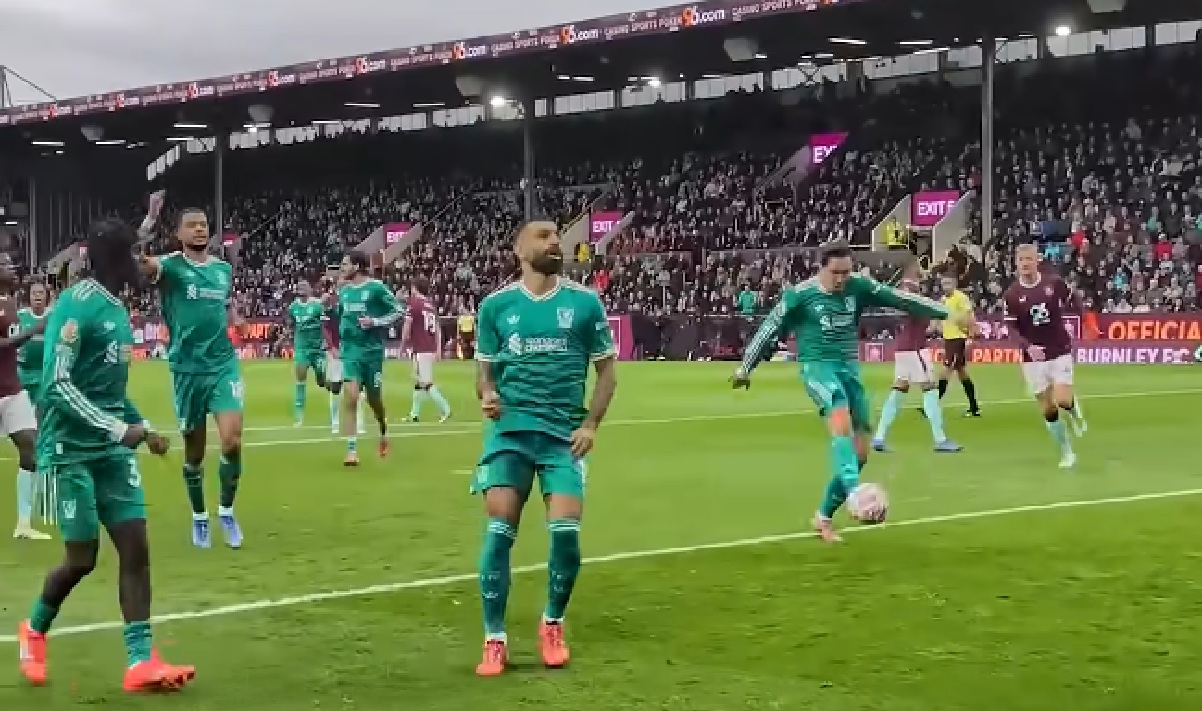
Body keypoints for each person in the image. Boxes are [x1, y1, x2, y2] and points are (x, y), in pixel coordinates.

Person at [18, 217, 194, 692]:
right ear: (115, 259)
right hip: (68, 450)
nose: (140, 263)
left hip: (110, 450)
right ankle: (34, 629)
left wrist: (144, 427)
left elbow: (110, 391)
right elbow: (57, 386)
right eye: (133, 255)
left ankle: (139, 661)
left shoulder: (116, 308)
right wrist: (120, 429)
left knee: (136, 548)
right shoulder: (77, 307)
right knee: (82, 557)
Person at [471, 220, 618, 677]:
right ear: (519, 249)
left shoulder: (584, 303)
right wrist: (487, 395)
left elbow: (607, 373)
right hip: (511, 433)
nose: (556, 242)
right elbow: (485, 374)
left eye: (557, 236)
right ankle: (494, 639)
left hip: (563, 437)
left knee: (567, 535)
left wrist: (591, 424)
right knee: (499, 527)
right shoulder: (496, 306)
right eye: (543, 236)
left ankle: (552, 623)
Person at [731, 240, 949, 542]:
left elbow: (900, 299)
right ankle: (855, 491)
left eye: (847, 271)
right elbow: (769, 328)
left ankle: (822, 517)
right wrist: (745, 368)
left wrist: (946, 313)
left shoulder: (858, 286)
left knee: (860, 453)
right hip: (817, 367)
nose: (842, 278)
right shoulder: (800, 296)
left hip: (849, 368)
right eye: (836, 272)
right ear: (822, 268)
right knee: (838, 412)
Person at [139, 205, 245, 549]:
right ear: (179, 234)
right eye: (192, 226)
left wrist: (236, 317)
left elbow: (224, 303)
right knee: (195, 453)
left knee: (231, 440)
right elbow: (138, 260)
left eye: (204, 225)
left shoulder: (222, 270)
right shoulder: (170, 267)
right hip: (186, 370)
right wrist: (150, 220)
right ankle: (200, 517)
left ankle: (226, 511)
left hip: (222, 365)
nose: (200, 230)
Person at [1003, 243, 1087, 468]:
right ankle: (1067, 452)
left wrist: (1083, 320)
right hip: (1033, 358)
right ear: (1017, 264)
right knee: (1048, 409)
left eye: (1029, 259)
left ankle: (1071, 405)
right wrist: (1027, 347)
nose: (1025, 264)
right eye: (1021, 261)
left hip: (1059, 349)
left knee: (1061, 400)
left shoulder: (1053, 283)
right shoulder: (1012, 294)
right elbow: (1011, 328)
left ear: (1037, 260)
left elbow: (1074, 299)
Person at [871, 262, 962, 453]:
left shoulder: (899, 296)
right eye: (920, 274)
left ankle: (879, 437)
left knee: (898, 392)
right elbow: (927, 318)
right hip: (916, 350)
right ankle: (940, 439)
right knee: (930, 390)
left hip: (903, 349)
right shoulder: (913, 296)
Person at [332, 250, 402, 465]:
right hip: (351, 351)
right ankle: (351, 450)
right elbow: (341, 318)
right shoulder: (343, 291)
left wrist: (375, 322)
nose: (342, 268)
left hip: (372, 353)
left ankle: (382, 426)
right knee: (351, 396)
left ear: (357, 266)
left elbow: (398, 311)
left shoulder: (376, 288)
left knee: (374, 400)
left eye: (345, 264)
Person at [0, 261, 50, 540]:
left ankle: (23, 523)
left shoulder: (9, 302)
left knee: (30, 448)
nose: (11, 268)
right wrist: (33, 332)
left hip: (12, 389)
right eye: (4, 265)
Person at [401, 276, 451, 423]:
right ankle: (414, 414)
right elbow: (438, 329)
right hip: (427, 348)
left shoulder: (413, 304)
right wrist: (438, 348)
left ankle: (446, 409)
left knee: (425, 382)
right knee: (418, 381)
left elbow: (407, 327)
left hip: (421, 348)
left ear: (415, 288)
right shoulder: (430, 305)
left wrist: (402, 347)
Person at [935, 273, 982, 417]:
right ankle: (974, 407)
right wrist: (939, 328)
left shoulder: (961, 298)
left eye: (948, 283)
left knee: (945, 371)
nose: (945, 286)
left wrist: (971, 336)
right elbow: (941, 318)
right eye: (943, 284)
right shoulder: (943, 300)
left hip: (957, 339)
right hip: (949, 339)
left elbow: (970, 316)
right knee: (962, 373)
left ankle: (931, 405)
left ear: (955, 284)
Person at [286, 280, 328, 427]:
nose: (301, 288)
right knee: (300, 380)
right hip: (302, 349)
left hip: (318, 350)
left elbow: (325, 326)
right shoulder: (293, 307)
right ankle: (299, 417)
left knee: (322, 379)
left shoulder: (317, 305)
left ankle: (322, 379)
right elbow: (290, 326)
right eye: (299, 286)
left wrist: (329, 344)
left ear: (310, 290)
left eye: (304, 286)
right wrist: (284, 339)